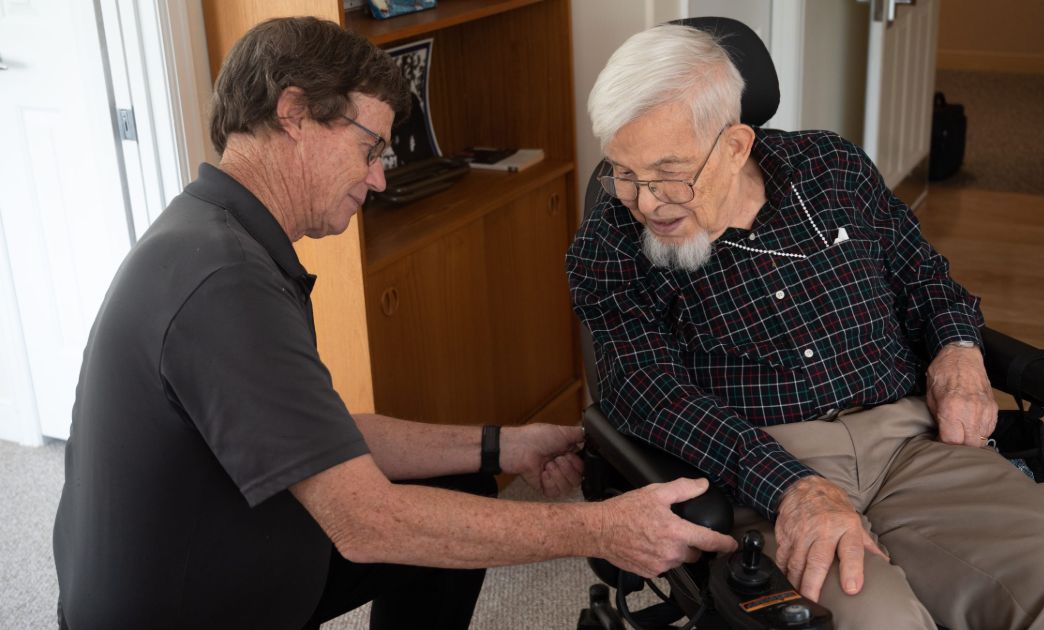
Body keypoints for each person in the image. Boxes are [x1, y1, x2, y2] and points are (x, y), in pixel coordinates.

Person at [52, 17, 736, 630]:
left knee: (461, 486)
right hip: (190, 611)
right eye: (370, 149)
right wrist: (601, 529)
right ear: (294, 113)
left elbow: (324, 438)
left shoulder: (216, 234)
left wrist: (504, 446)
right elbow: (364, 521)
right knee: (404, 523)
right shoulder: (224, 279)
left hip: (218, 564)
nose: (379, 179)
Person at [567, 23, 1044, 630]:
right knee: (871, 620)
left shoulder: (831, 168)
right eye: (624, 172)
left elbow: (923, 276)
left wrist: (957, 349)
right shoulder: (612, 238)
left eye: (669, 173)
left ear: (735, 145)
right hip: (758, 467)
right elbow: (644, 389)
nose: (647, 202)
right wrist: (791, 485)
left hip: (913, 444)